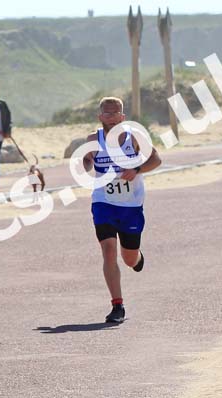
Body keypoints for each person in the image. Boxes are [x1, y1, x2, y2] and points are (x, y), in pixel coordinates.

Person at [82, 96, 161, 323]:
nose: (112, 117)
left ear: (123, 116)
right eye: (107, 113)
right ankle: (118, 306)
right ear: (100, 116)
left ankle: (136, 258)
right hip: (103, 202)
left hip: (131, 205)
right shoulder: (93, 140)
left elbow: (156, 159)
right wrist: (85, 163)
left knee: (128, 259)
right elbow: (86, 160)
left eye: (116, 113)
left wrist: (136, 169)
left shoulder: (134, 137)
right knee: (108, 250)